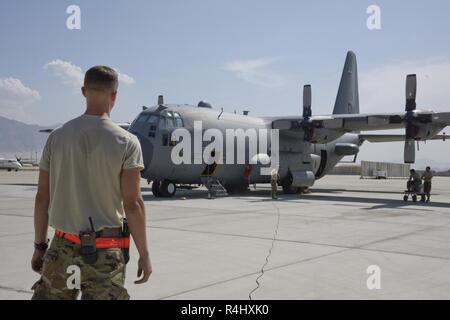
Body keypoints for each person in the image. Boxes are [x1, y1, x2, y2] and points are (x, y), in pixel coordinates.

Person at [31, 66, 152, 300]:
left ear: (83, 91)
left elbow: (41, 198)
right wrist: (144, 254)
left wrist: (39, 246)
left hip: (61, 248)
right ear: (115, 95)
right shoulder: (127, 142)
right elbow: (133, 203)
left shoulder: (56, 138)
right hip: (106, 251)